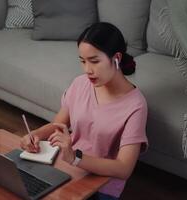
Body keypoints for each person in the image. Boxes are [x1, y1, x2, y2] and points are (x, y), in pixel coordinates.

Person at [20, 22, 148, 200]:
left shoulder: (136, 105)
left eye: (94, 61)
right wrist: (35, 134)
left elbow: (124, 168)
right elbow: (58, 125)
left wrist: (75, 158)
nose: (88, 70)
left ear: (116, 58)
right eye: (82, 61)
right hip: (66, 169)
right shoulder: (81, 83)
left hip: (101, 186)